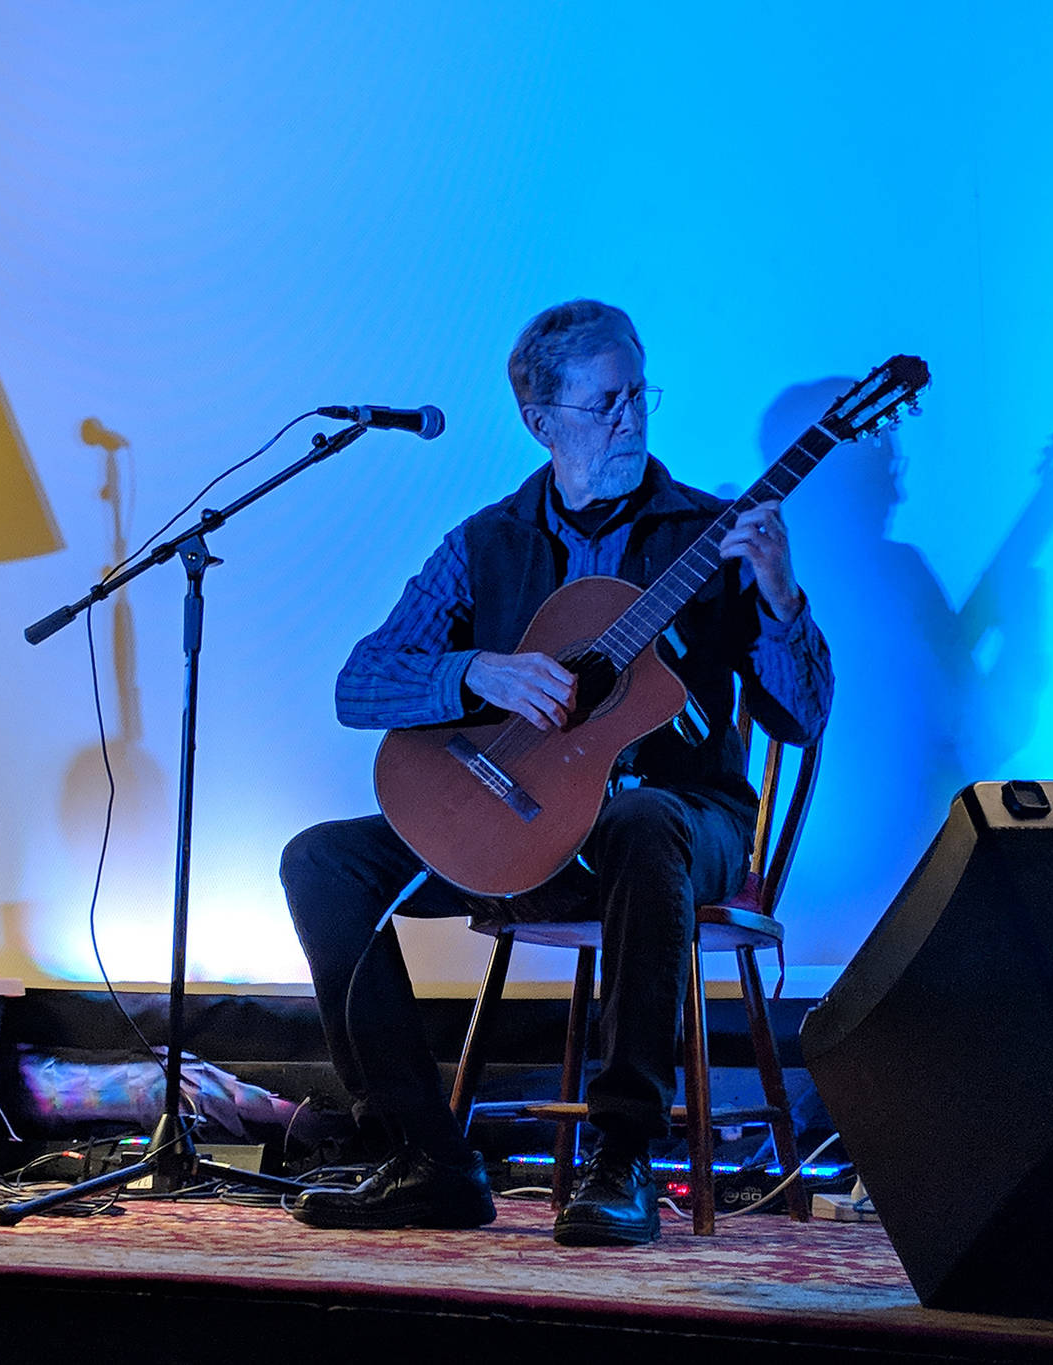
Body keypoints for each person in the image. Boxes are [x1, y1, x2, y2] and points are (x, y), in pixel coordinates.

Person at [280, 299, 832, 1246]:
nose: (630, 419)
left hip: (678, 828)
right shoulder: (486, 542)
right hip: (532, 822)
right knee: (320, 862)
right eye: (604, 403)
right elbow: (360, 682)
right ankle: (427, 1156)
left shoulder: (714, 535)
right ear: (542, 422)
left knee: (643, 817)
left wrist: (780, 598)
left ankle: (622, 1159)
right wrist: (476, 671)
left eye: (638, 395)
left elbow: (802, 711)